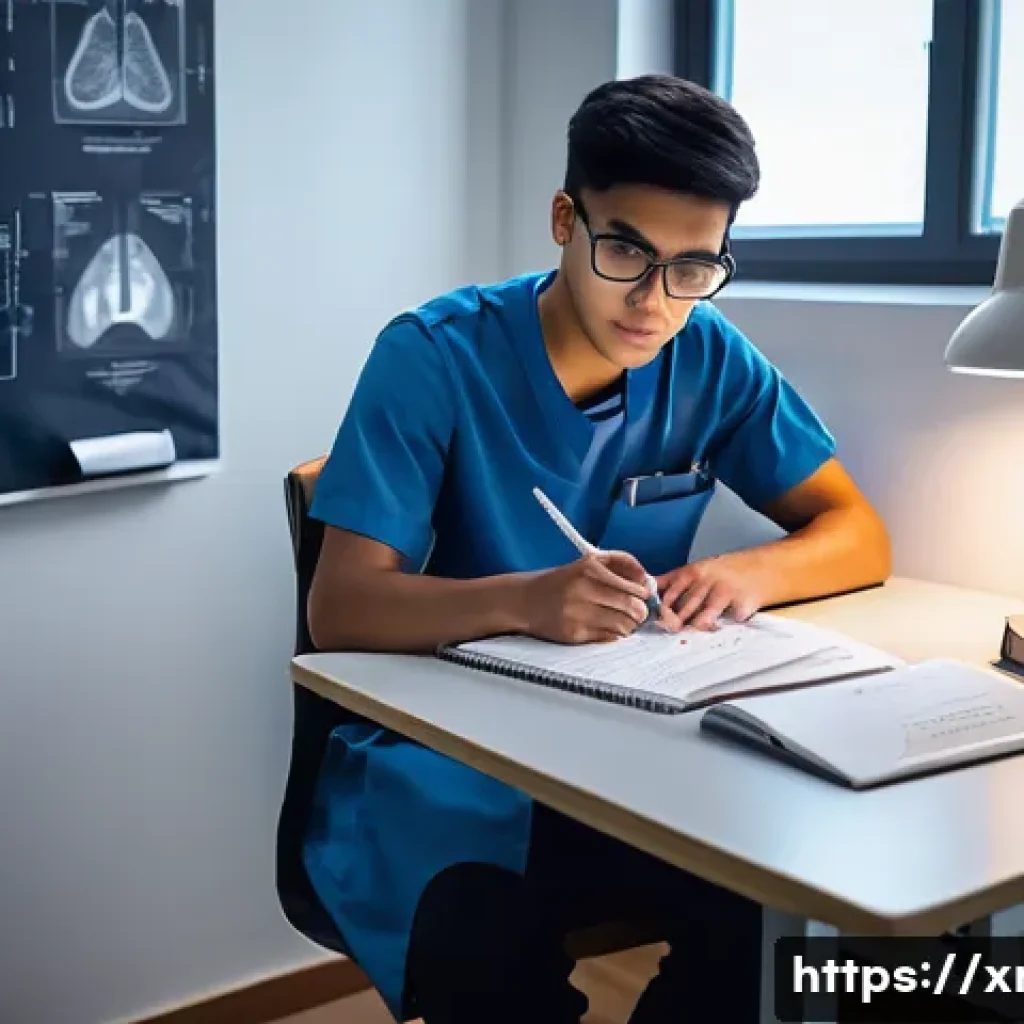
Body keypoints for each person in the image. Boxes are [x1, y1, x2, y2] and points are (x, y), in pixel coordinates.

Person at [301, 74, 891, 1023]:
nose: (655, 301)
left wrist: (746, 572)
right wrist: (527, 600)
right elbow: (341, 608)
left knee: (776, 907)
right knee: (485, 951)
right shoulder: (433, 356)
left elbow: (855, 531)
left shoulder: (709, 356)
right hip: (451, 768)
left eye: (693, 266)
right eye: (626, 251)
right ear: (564, 221)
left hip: (635, 756)